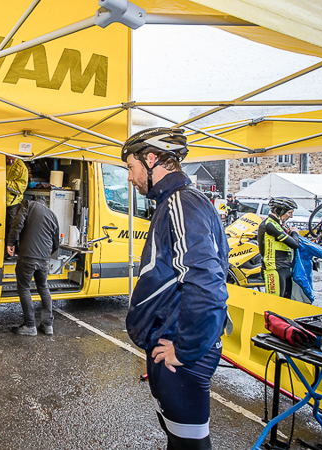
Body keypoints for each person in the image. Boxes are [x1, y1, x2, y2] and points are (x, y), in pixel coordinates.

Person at [122, 127, 229, 450]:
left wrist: (185, 349)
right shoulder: (176, 201)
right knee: (179, 438)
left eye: (131, 167)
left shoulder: (181, 203)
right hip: (172, 343)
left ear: (151, 159)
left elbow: (206, 282)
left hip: (178, 350)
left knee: (189, 444)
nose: (130, 177)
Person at [6, 195, 60, 336]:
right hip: (44, 259)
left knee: (24, 288)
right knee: (43, 287)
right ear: (45, 203)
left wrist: (11, 242)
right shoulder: (52, 215)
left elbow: (17, 223)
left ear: (34, 199)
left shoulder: (28, 205)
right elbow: (56, 243)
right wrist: (45, 255)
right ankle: (47, 325)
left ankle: (30, 325)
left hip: (28, 256)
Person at [258, 197, 300, 299]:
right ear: (280, 210)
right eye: (289, 212)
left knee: (286, 303)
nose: (291, 216)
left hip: (285, 268)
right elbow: (294, 244)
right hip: (274, 269)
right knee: (274, 303)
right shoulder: (270, 224)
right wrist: (295, 232)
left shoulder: (279, 224)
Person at [5, 155, 29, 256]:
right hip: (0, 200)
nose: (10, 162)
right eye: (8, 159)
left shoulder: (21, 168)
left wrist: (5, 183)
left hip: (13, 202)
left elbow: (21, 188)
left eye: (13, 159)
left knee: (12, 227)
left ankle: (12, 252)